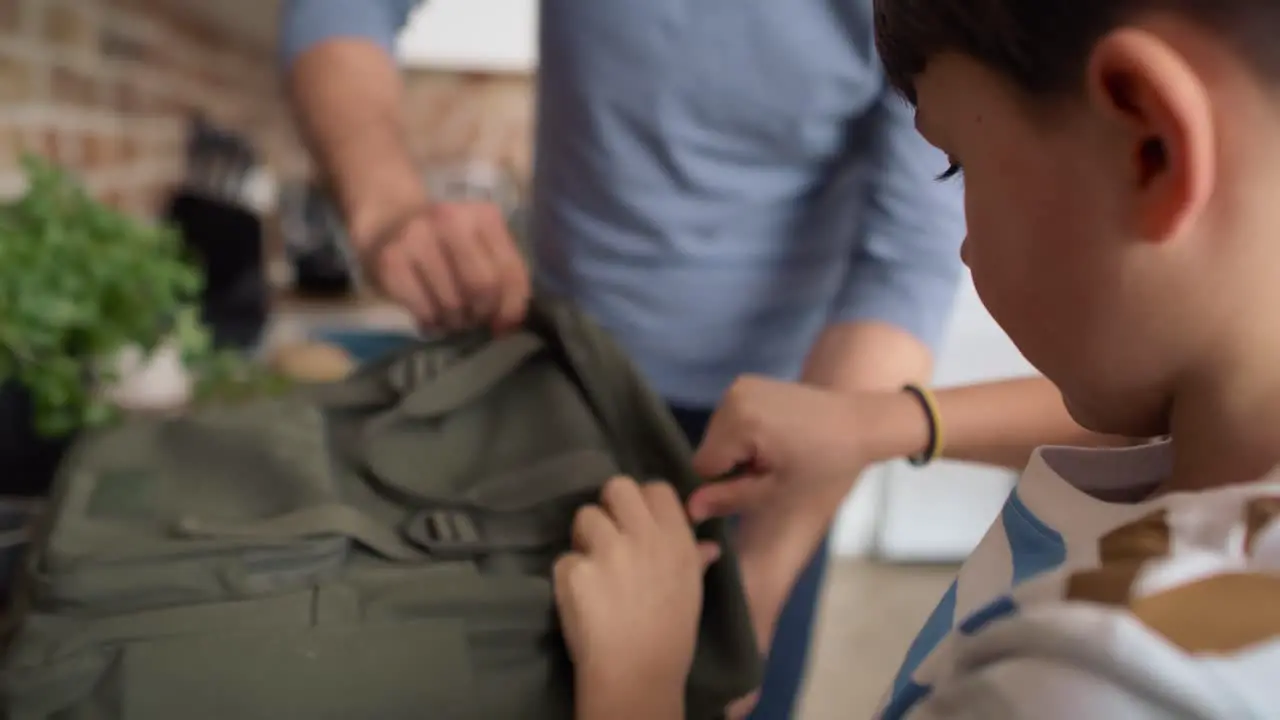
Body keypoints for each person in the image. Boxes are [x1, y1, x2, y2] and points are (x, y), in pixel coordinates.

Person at [279, 2, 1127, 716]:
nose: (973, 255)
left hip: (772, 442)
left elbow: (904, 265)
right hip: (552, 378)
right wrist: (387, 203)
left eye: (966, 167)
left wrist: (751, 588)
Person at [550, 0, 1280, 717]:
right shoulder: (1227, 444)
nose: (962, 245)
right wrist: (885, 424)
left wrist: (637, 683)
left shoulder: (1082, 691)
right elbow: (1155, 433)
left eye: (957, 165)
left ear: (1149, 144)